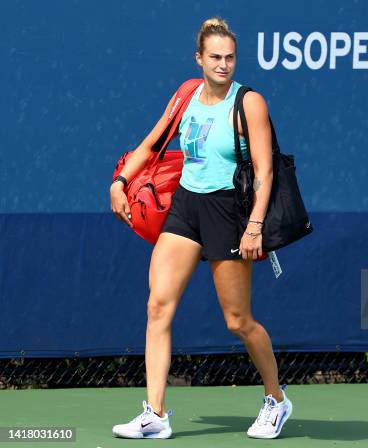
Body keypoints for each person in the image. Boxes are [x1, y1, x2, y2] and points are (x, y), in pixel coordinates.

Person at [108, 17, 292, 440]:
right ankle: (155, 414)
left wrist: (254, 226)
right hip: (186, 207)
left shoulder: (249, 103)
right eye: (215, 58)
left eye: (230, 58)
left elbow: (265, 173)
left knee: (238, 321)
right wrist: (119, 182)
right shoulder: (186, 94)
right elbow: (153, 144)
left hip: (229, 213)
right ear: (199, 59)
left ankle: (277, 400)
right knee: (158, 305)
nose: (224, 65)